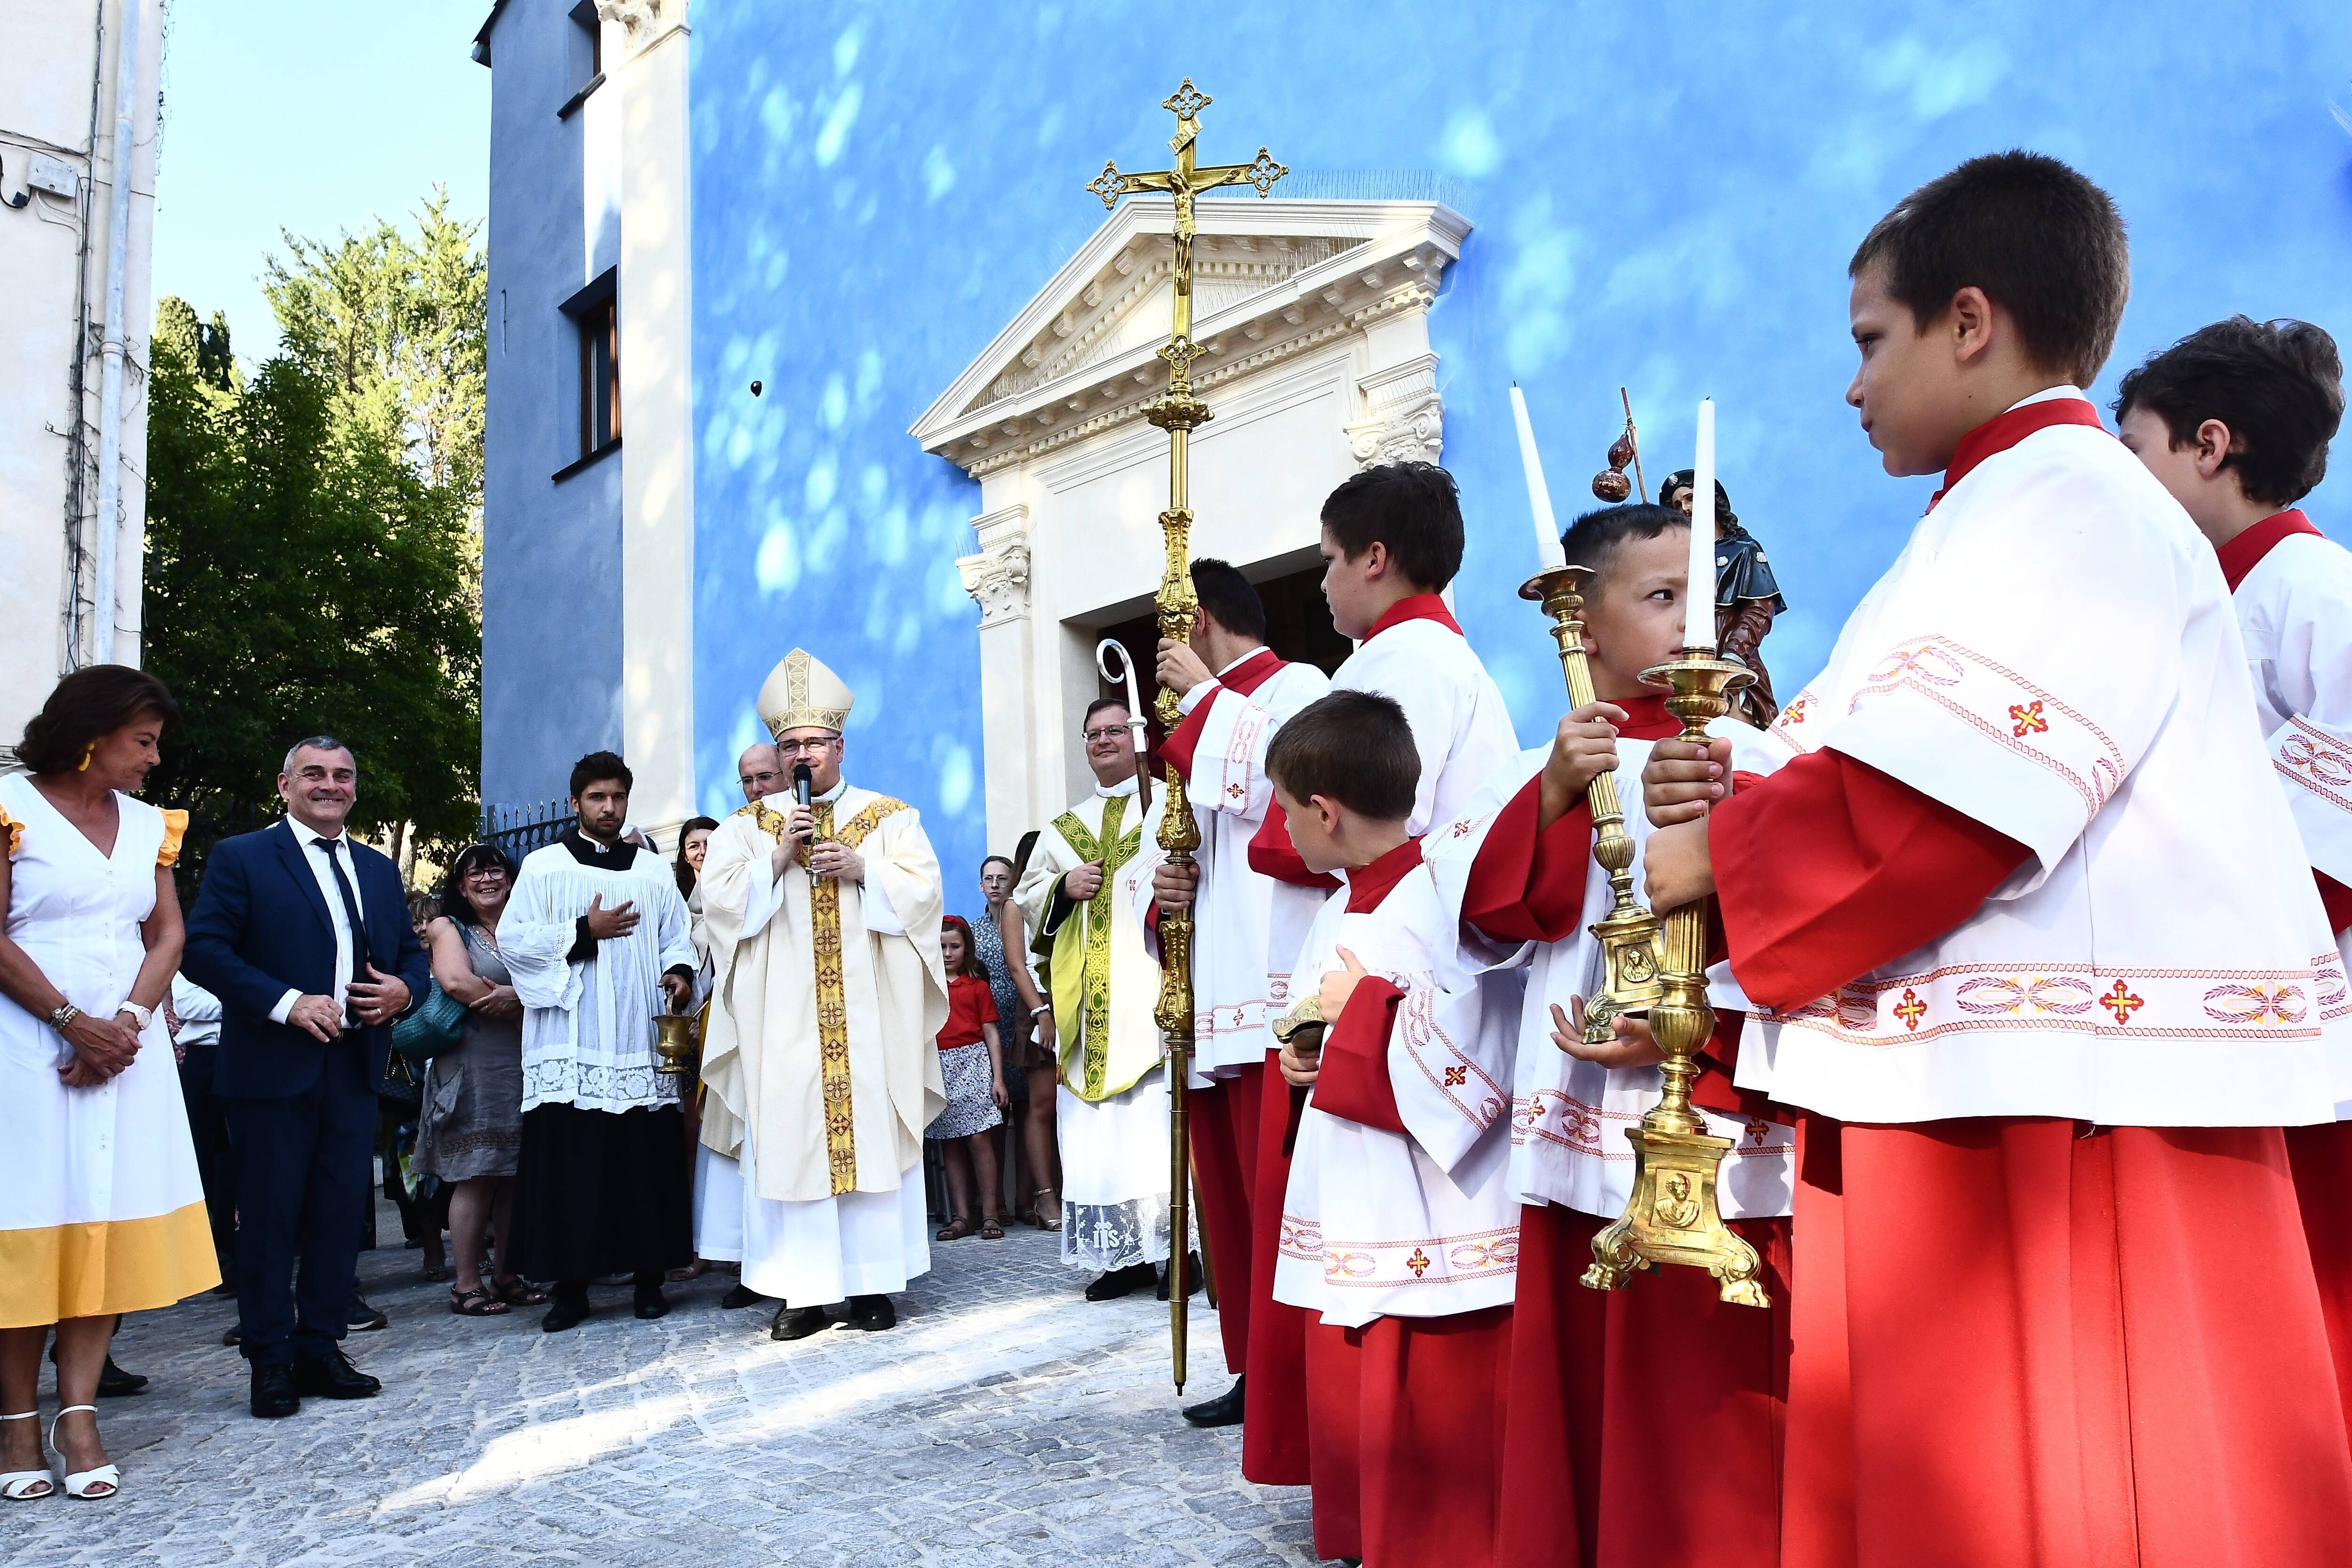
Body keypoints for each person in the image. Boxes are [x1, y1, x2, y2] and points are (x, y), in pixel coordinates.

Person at [1639, 151, 2352, 1561]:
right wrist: (1743, 782)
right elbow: (1891, 760)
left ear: (1968, 321)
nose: (1849, 388)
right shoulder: (1988, 509)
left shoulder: (2066, 503)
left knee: (2040, 1481)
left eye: (1867, 341)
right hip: (1982, 1076)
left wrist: (1709, 861)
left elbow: (1939, 814)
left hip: (2038, 1113)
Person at [1446, 501, 1795, 1567]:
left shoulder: (1749, 751)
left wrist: (1694, 1021)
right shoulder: (1539, 763)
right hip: (1584, 1112)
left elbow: (1786, 913)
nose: (1694, 623)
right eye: (1660, 599)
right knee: (1592, 1378)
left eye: (1702, 597)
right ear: (1582, 627)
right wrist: (1556, 789)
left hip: (1717, 1112)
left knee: (1714, 1391)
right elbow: (1501, 917)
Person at [1234, 461, 1522, 1489]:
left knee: (1389, 1261)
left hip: (1389, 979)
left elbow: (1302, 832)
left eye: (1324, 562)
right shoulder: (1453, 662)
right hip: (1384, 955)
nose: (1317, 587)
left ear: (1373, 556)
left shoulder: (1400, 666)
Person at [2114, 314, 2352, 1427]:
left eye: (2135, 457)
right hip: (2210, 1013)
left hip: (2303, 1021)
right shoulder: (2193, 605)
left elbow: (2327, 848)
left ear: (2210, 446)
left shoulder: (2313, 590)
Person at [1260, 690, 1523, 1567]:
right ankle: (1368, 1533)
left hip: (1430, 1197)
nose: (1283, 831)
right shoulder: (1342, 905)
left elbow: (1479, 1052)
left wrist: (1363, 1015)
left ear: (1324, 812)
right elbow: (1328, 1022)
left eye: (1287, 811)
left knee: (1424, 1374)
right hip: (1356, 1173)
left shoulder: (1440, 899)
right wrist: (1314, 1053)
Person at [0, 668, 215, 1500]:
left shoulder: (146, 824)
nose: (153, 759)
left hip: (126, 1047)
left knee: (99, 1222)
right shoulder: (11, 806)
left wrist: (123, 1021)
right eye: (143, 741)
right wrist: (68, 1019)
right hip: (24, 1044)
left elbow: (167, 932)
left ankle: (78, 1413)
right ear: (92, 731)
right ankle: (17, 1420)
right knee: (28, 1226)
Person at [697, 649, 949, 1340]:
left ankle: (870, 1287)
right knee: (791, 1140)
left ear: (840, 745)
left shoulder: (890, 816)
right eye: (790, 745)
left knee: (867, 1135)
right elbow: (715, 906)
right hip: (782, 1020)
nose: (802, 753)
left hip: (868, 1017)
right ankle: (800, 1293)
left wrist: (866, 870)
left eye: (814, 742)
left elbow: (925, 895)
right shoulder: (747, 829)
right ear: (778, 757)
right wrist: (776, 864)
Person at [1134, 557, 1330, 1428]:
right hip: (1212, 996)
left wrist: (1206, 694)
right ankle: (1256, 1370)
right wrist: (1159, 891)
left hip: (1277, 987)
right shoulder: (1198, 717)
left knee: (1284, 1201)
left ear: (1200, 620)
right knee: (1236, 1208)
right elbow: (1159, 847)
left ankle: (1302, 1376)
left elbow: (1275, 784)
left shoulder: (1303, 688)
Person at [184, 734, 425, 1420]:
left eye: (343, 775)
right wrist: (287, 1003)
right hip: (270, 1067)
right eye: (314, 773)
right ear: (285, 785)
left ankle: (321, 1346)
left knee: (338, 1216)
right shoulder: (244, 858)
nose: (331, 784)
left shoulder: (377, 869)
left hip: (353, 1067)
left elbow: (409, 952)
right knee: (269, 1220)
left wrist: (405, 991)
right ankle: (270, 1361)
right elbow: (204, 949)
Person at [500, 752, 699, 1331]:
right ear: (574, 804)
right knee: (572, 1165)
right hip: (572, 1042)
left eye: (617, 797)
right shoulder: (542, 867)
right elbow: (514, 943)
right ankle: (571, 1289)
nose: (608, 807)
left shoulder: (652, 871)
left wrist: (681, 973)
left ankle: (648, 1281)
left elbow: (675, 935)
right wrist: (583, 931)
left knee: (642, 1163)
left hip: (638, 1039)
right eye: (596, 798)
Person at [1015, 698, 1173, 1302]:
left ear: (1138, 737)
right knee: (1097, 1139)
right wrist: (1063, 886)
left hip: (1152, 991)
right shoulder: (1062, 827)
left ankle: (1179, 1253)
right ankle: (1121, 1257)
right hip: (1087, 1009)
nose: (1102, 742)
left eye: (1115, 731)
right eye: (1092, 735)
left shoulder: (1167, 805)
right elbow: (1028, 900)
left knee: (1154, 1127)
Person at [417, 843, 539, 1318]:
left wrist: (520, 1004)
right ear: (460, 886)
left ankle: (507, 1275)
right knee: (476, 1174)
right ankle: (466, 1285)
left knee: (512, 1174)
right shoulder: (448, 927)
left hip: (521, 1062)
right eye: (474, 874)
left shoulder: (524, 922)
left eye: (494, 870)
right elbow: (456, 982)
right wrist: (519, 1008)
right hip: (471, 1062)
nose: (487, 880)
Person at [976, 849, 1059, 1229]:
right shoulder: (993, 921)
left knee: (1038, 1108)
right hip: (1014, 1019)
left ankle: (1031, 1199)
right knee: (1010, 1112)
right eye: (989, 879)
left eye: (1001, 877)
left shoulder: (1062, 898)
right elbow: (1015, 965)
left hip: (1057, 1006)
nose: (996, 884)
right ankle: (1004, 1206)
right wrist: (1040, 1012)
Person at [929, 915, 1009, 1240]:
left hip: (974, 1064)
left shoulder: (978, 987)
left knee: (979, 1138)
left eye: (955, 946)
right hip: (940, 1067)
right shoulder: (928, 989)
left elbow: (991, 1034)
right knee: (951, 1141)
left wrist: (998, 1079)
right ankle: (961, 1215)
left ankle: (990, 1214)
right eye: (942, 946)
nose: (948, 953)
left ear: (967, 949)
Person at [667, 814, 721, 1284]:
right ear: (683, 855)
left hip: (732, 1031)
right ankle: (693, 1241)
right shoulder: (675, 909)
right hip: (688, 1037)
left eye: (709, 842)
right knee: (691, 1140)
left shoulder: (735, 896)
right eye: (692, 845)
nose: (701, 850)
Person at [169, 969, 237, 1284]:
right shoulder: (194, 952)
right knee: (206, 1157)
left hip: (249, 1054)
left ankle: (237, 1253)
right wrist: (254, 1001)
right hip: (205, 1058)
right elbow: (187, 1004)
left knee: (239, 1157)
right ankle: (218, 1254)